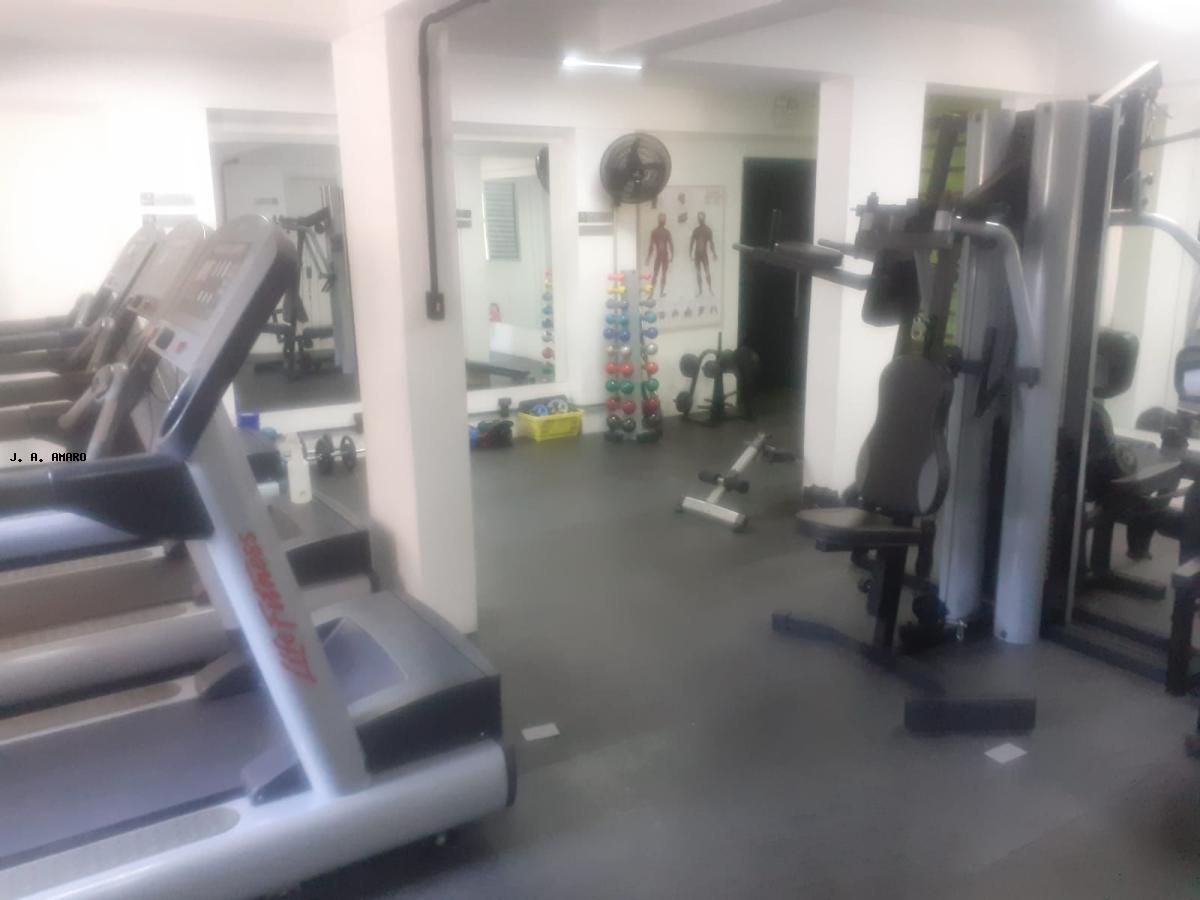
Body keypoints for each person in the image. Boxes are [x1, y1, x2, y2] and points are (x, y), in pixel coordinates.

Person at [646, 213, 674, 298]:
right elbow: (671, 245)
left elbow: (651, 247)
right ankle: (656, 293)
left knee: (658, 274)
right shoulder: (664, 232)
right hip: (663, 255)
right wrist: (672, 255)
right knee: (660, 274)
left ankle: (653, 294)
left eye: (663, 219)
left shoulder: (656, 232)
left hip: (661, 256)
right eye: (663, 219)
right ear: (664, 221)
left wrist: (648, 258)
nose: (663, 220)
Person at [690, 211, 716, 297]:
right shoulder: (696, 230)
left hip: (703, 254)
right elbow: (691, 242)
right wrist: (690, 253)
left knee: (707, 272)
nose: (700, 219)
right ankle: (701, 290)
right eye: (699, 217)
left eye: (701, 217)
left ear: (704, 218)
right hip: (698, 255)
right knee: (699, 273)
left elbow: (711, 243)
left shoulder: (707, 230)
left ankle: (710, 289)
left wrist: (714, 253)